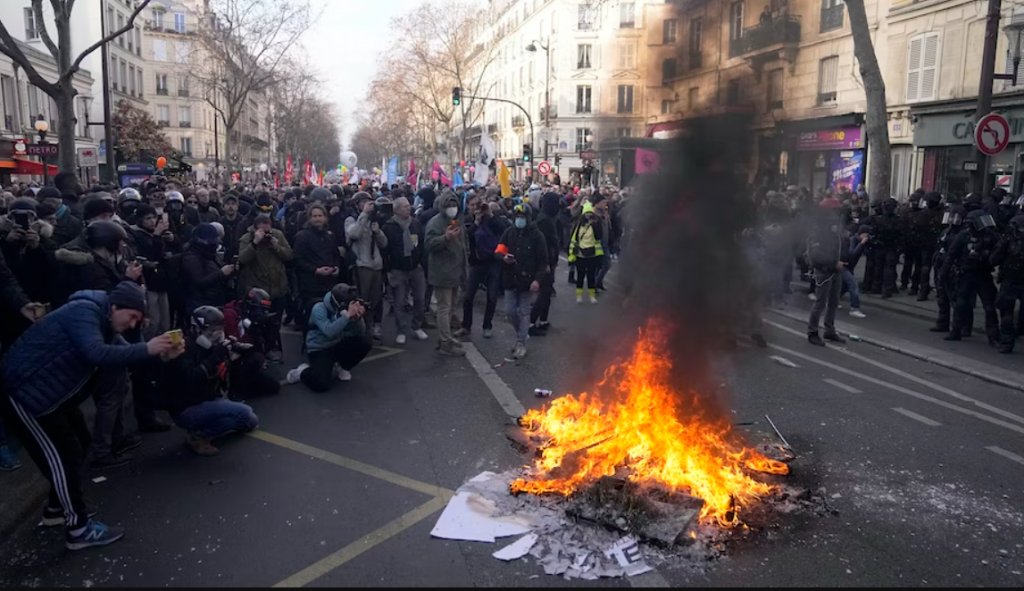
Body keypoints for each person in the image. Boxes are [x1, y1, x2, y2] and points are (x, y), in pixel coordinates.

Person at [0, 281, 181, 549]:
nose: (133, 325)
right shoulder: (84, 311)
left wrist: (161, 356)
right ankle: (78, 530)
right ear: (116, 306)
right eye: (132, 317)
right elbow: (95, 353)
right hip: (27, 396)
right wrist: (147, 348)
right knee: (59, 459)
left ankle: (56, 510)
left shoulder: (105, 321)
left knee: (80, 446)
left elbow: (122, 354)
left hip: (52, 398)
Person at [156, 306, 260, 456]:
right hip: (186, 407)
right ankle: (199, 436)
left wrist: (235, 355)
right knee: (244, 412)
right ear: (197, 329)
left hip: (208, 398)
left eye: (219, 331)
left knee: (251, 421)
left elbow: (226, 379)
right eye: (211, 332)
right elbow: (191, 379)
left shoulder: (212, 347)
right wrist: (214, 358)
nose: (216, 336)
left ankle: (201, 429)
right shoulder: (182, 349)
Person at [286, 283, 372, 391]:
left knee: (365, 342)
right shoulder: (319, 308)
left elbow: (359, 332)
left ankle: (343, 367)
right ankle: (302, 372)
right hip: (320, 347)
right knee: (321, 385)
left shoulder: (348, 312)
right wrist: (346, 316)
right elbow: (329, 331)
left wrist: (357, 319)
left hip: (338, 342)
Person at [236, 214, 292, 362]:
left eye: (268, 231)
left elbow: (289, 255)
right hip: (258, 290)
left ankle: (272, 347)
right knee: (258, 324)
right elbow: (242, 259)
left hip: (277, 287)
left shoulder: (278, 235)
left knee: (275, 322)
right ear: (255, 229)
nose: (266, 234)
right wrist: (255, 243)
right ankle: (259, 351)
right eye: (262, 231)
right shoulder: (246, 239)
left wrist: (276, 246)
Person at [496, 204, 548, 359]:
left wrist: (537, 280)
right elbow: (499, 250)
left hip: (527, 281)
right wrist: (503, 258)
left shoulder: (537, 236)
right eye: (517, 217)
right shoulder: (509, 232)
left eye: (522, 217)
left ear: (528, 218)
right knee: (510, 311)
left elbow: (542, 261)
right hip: (510, 279)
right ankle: (523, 334)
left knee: (524, 312)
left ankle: (521, 343)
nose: (520, 220)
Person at [943, 209, 1001, 344]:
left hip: (983, 274)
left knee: (989, 306)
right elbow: (951, 254)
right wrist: (944, 272)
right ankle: (957, 330)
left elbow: (1000, 253)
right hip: (966, 273)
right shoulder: (963, 236)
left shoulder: (990, 236)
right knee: (961, 304)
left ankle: (993, 336)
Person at [381, 196, 429, 344]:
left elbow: (421, 244)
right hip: (398, 269)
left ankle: (417, 326)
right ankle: (401, 329)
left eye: (409, 206)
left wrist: (421, 262)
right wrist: (388, 270)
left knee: (420, 299)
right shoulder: (388, 227)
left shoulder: (415, 224)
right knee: (399, 301)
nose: (408, 208)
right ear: (396, 210)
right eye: (404, 207)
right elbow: (385, 250)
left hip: (415, 267)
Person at [424, 191, 468, 356]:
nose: (452, 208)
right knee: (444, 308)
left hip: (456, 271)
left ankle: (446, 336)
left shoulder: (457, 221)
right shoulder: (435, 223)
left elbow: (464, 244)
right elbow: (428, 245)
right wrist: (445, 238)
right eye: (449, 205)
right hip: (442, 272)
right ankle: (445, 342)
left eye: (454, 205)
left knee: (451, 309)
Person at [344, 192, 389, 339]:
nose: (367, 205)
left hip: (376, 265)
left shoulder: (373, 220)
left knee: (375, 299)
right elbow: (354, 234)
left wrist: (378, 232)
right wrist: (363, 215)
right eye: (363, 202)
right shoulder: (351, 219)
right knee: (362, 298)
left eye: (369, 202)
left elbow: (384, 244)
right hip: (362, 265)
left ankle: (372, 326)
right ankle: (361, 328)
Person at [460, 200, 506, 339]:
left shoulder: (493, 220)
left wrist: (490, 215)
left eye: (478, 206)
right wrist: (476, 223)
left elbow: (503, 230)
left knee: (492, 297)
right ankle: (466, 325)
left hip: (492, 262)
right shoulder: (468, 220)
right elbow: (466, 236)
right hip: (476, 263)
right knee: (468, 296)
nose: (476, 209)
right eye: (473, 205)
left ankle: (487, 325)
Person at [806, 199, 847, 346]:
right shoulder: (818, 229)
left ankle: (829, 329)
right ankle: (812, 332)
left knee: (834, 302)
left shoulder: (834, 227)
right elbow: (816, 255)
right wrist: (833, 263)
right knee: (820, 302)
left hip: (835, 269)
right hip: (824, 270)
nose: (837, 214)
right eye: (834, 211)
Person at [181, 222, 235, 315]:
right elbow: (198, 282)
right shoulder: (191, 257)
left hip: (215, 299)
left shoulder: (212, 255)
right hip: (199, 302)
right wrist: (221, 273)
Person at [991, 214, 1024, 353]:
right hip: (1011, 279)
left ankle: (1007, 341)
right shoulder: (1008, 239)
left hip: (1010, 279)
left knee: (1006, 312)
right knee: (1007, 311)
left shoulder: (1008, 239)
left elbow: (994, 259)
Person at [530, 192, 561, 334]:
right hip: (545, 262)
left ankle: (543, 320)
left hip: (551, 260)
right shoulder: (543, 220)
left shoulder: (549, 218)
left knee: (547, 293)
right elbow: (543, 245)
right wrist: (546, 263)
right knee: (543, 293)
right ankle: (531, 323)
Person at [568, 201, 604, 304]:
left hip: (592, 254)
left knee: (591, 276)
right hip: (580, 254)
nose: (588, 215)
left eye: (590, 213)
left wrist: (595, 224)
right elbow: (573, 240)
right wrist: (571, 254)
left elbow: (598, 237)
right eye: (587, 213)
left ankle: (592, 296)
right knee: (580, 275)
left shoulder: (595, 224)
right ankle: (579, 295)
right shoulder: (578, 225)